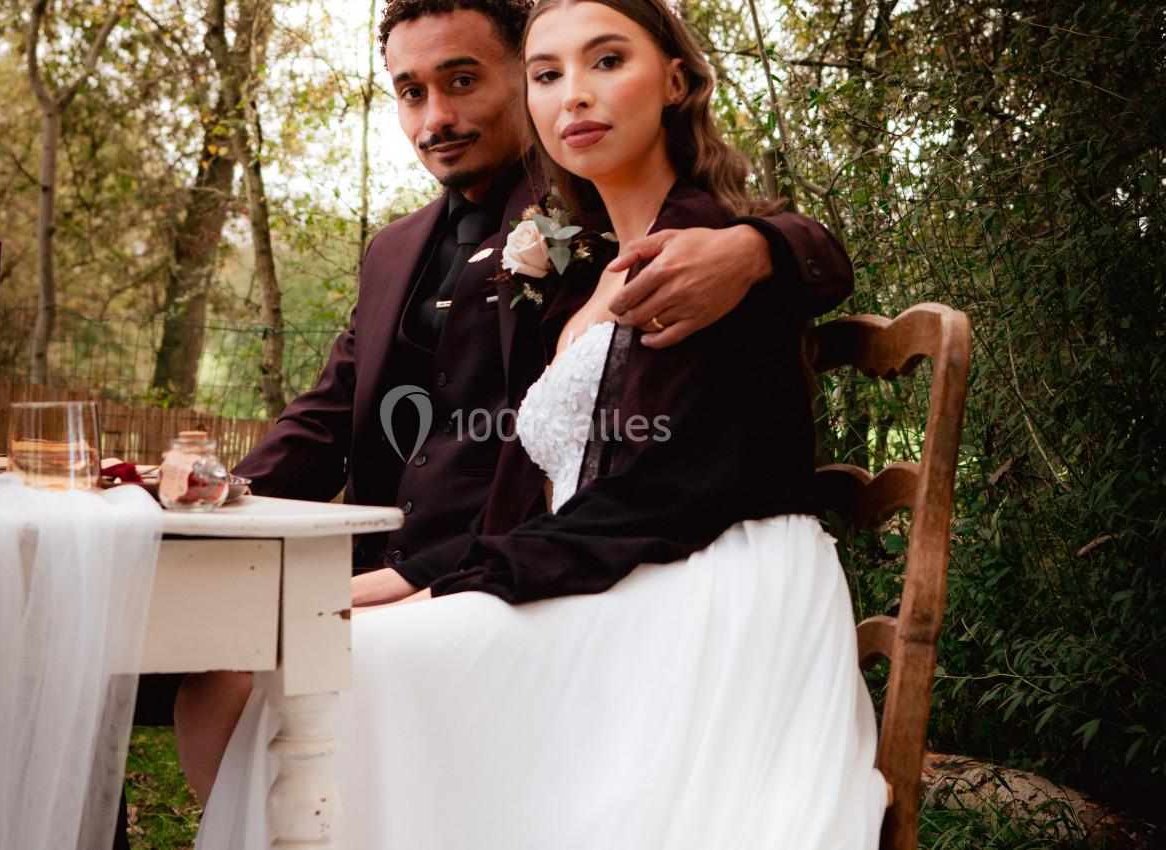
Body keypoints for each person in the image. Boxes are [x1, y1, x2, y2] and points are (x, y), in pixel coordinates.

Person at [122, 0, 855, 823]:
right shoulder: (400, 247)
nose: (438, 116)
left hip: (551, 563)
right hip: (492, 560)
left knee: (291, 682)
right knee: (205, 667)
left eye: (464, 80)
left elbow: (682, 454)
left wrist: (764, 247)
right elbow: (328, 412)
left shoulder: (604, 231)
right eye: (411, 91)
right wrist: (214, 497)